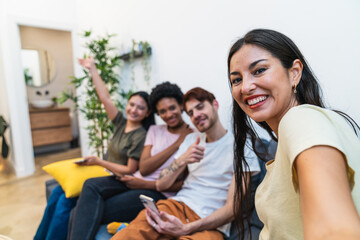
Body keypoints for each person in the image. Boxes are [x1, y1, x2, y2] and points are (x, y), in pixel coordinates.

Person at [227, 28, 360, 240]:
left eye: (259, 70)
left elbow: (336, 232)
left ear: (294, 72)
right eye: (236, 80)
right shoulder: (300, 131)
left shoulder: (300, 120)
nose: (246, 87)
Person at [111, 87, 260, 240]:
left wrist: (186, 228)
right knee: (131, 233)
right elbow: (162, 185)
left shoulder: (242, 146)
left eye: (200, 107)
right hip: (176, 207)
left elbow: (231, 210)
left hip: (212, 225)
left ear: (215, 104)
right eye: (190, 113)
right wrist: (183, 159)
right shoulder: (190, 141)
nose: (196, 115)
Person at [34, 56, 154, 240]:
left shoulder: (140, 135)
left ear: (147, 113)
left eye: (140, 108)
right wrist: (92, 69)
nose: (134, 110)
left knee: (66, 202)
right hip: (103, 172)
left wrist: (98, 161)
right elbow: (104, 97)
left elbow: (130, 169)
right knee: (58, 192)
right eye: (132, 104)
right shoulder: (122, 123)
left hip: (117, 179)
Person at [68, 81, 193, 240]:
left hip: (157, 192)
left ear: (181, 105)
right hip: (134, 181)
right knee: (87, 190)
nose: (168, 114)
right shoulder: (155, 130)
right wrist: (177, 144)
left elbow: (186, 182)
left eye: (172, 108)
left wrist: (146, 184)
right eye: (162, 111)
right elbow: (145, 167)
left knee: (81, 212)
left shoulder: (192, 136)